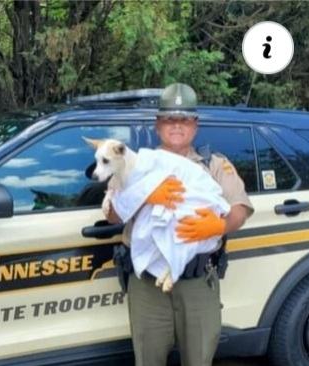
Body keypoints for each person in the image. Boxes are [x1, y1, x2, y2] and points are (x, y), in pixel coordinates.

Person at [103, 83, 253, 366]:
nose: (177, 126)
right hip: (147, 287)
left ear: (194, 126)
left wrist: (218, 227)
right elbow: (113, 214)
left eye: (184, 119)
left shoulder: (215, 164)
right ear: (158, 125)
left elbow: (240, 209)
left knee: (199, 360)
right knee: (148, 360)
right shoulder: (135, 164)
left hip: (197, 283)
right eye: (169, 119)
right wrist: (142, 195)